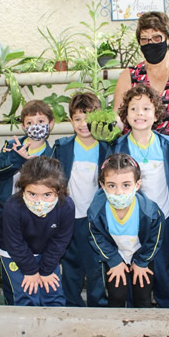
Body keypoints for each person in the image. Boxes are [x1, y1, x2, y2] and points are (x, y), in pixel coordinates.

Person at [112, 84, 169, 308]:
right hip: (133, 221)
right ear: (125, 115)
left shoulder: (168, 145)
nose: (139, 114)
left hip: (164, 218)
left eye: (145, 109)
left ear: (156, 114)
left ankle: (167, 308)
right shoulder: (119, 147)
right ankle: (135, 311)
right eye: (133, 109)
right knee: (135, 268)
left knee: (163, 268)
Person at [110, 11, 169, 160]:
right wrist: (109, 127)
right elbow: (118, 116)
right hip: (138, 162)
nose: (151, 43)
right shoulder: (129, 75)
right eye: (144, 39)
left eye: (156, 38)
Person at [51, 92, 108, 307]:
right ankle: (72, 306)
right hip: (69, 218)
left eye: (88, 118)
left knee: (96, 265)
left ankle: (98, 307)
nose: (83, 124)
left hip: (95, 220)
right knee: (71, 264)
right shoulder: (63, 147)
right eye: (77, 119)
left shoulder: (106, 148)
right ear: (71, 120)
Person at [0, 156, 75, 307]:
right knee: (26, 292)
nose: (39, 201)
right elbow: (15, 243)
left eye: (47, 195)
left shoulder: (66, 206)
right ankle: (25, 328)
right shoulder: (13, 207)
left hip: (47, 250)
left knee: (51, 290)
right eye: (32, 194)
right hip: (14, 252)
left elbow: (61, 241)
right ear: (22, 189)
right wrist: (30, 272)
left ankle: (55, 327)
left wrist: (46, 270)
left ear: (59, 190)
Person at [87, 154, 163, 308]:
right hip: (115, 256)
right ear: (102, 185)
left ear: (137, 184)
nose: (119, 192)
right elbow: (96, 236)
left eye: (126, 185)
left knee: (143, 295)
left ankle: (143, 330)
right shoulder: (96, 212)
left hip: (142, 255)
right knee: (116, 296)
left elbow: (155, 239)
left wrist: (142, 262)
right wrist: (114, 261)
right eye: (112, 185)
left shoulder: (151, 212)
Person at [0, 100, 55, 206]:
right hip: (8, 209)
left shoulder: (53, 154)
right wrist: (17, 158)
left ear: (51, 123)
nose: (35, 126)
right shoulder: (12, 146)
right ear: (23, 126)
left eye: (40, 121)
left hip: (38, 210)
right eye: (29, 123)